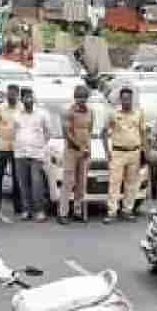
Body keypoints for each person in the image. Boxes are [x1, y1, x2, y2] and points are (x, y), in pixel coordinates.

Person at [103, 87, 144, 224]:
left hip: (134, 152)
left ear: (132, 99)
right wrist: (107, 152)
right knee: (114, 183)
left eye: (129, 98)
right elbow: (104, 132)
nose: (127, 101)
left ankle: (127, 210)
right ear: (121, 100)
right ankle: (112, 212)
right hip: (118, 152)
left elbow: (143, 132)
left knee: (131, 183)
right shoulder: (113, 113)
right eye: (124, 98)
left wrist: (144, 150)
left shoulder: (138, 113)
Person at [12, 88, 52, 222]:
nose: (28, 99)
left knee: (36, 183)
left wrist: (39, 144)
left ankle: (39, 211)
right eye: (25, 97)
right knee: (23, 184)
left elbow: (48, 132)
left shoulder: (42, 114)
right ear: (22, 99)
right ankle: (26, 210)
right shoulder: (17, 115)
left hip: (36, 154)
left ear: (33, 98)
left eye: (30, 97)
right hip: (20, 153)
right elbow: (14, 133)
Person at [58, 85, 93, 224]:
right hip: (72, 150)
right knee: (68, 182)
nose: (81, 100)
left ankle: (77, 211)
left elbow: (88, 131)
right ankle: (63, 213)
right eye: (79, 97)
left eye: (84, 97)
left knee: (81, 182)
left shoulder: (91, 111)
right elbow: (67, 134)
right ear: (75, 97)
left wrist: (87, 148)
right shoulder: (69, 112)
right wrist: (80, 146)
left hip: (84, 151)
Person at [0, 84, 22, 223]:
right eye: (9, 94)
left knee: (17, 178)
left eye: (14, 94)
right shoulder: (0, 108)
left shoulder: (22, 108)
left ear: (17, 94)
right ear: (6, 94)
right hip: (1, 147)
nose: (11, 96)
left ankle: (19, 208)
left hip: (17, 147)